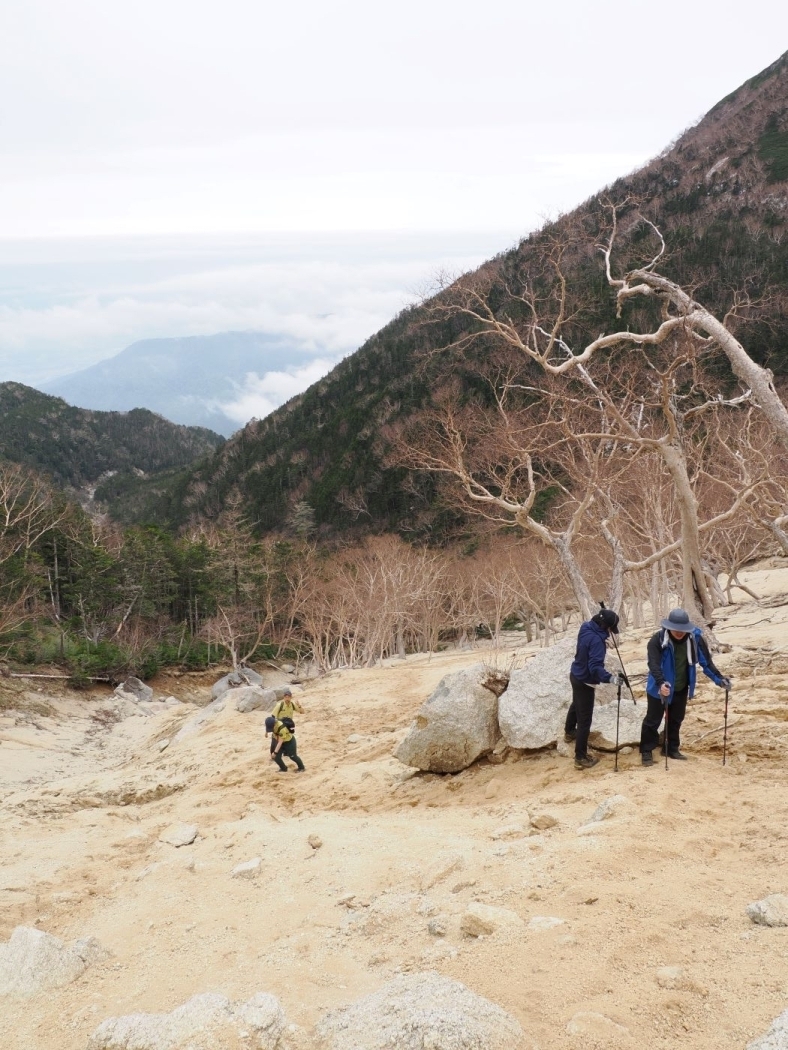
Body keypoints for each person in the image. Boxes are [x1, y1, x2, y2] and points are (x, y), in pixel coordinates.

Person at [640, 608, 731, 766]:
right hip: (658, 687)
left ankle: (671, 748)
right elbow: (653, 664)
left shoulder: (695, 639)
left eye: (683, 630)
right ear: (669, 627)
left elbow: (706, 663)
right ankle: (647, 750)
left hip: (681, 687)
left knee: (676, 719)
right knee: (652, 720)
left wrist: (720, 679)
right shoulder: (658, 640)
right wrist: (661, 683)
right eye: (677, 630)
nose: (680, 633)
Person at [565, 606, 627, 771]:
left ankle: (569, 731)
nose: (610, 632)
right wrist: (611, 678)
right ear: (604, 626)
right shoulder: (598, 643)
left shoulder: (585, 627)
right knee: (585, 721)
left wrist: (604, 618)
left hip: (575, 674)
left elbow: (596, 628)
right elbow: (595, 668)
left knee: (576, 703)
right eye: (609, 629)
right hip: (585, 680)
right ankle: (580, 758)